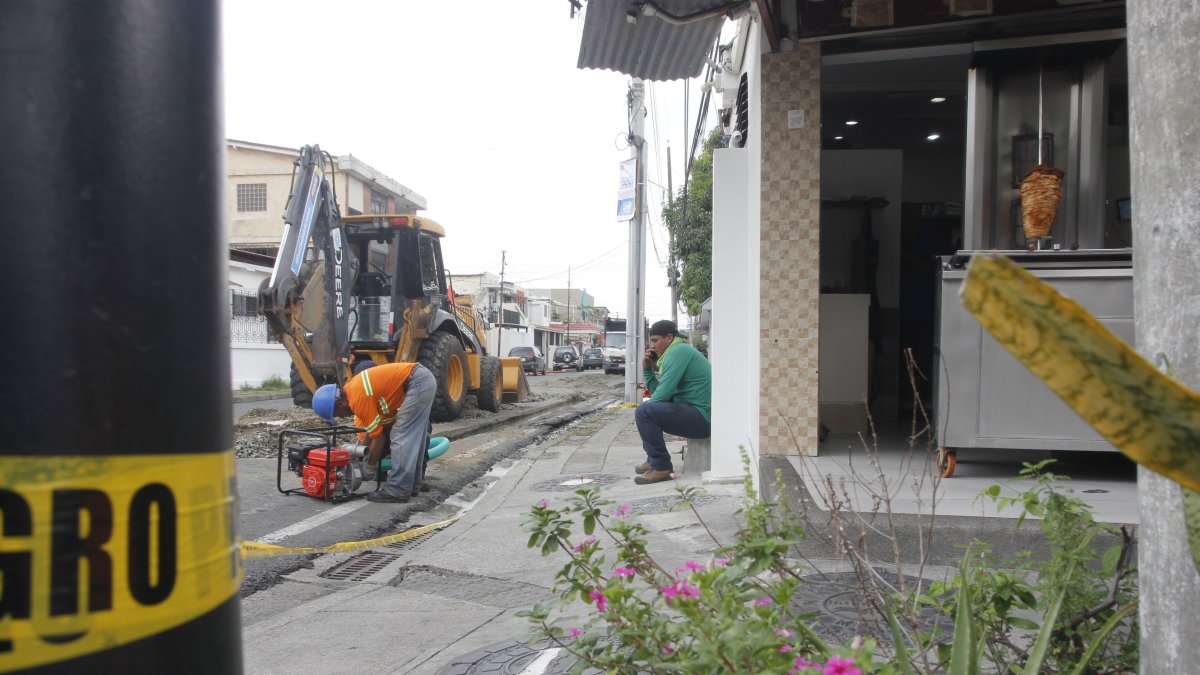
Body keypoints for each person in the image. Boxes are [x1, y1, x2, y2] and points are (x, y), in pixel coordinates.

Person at [312, 361, 436, 503]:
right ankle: (412, 485)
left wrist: (370, 467)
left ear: (340, 404)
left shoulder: (357, 399)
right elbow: (372, 433)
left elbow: (379, 438)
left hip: (417, 382)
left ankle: (397, 490)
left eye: (337, 414)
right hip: (420, 379)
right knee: (414, 438)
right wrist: (359, 452)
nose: (341, 417)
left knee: (401, 435)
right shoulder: (352, 390)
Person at [634, 320, 711, 485]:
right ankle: (653, 459)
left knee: (644, 412)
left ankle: (661, 467)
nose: (652, 345)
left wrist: (647, 412)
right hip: (695, 413)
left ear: (669, 337)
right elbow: (661, 394)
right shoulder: (674, 353)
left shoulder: (678, 352)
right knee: (647, 411)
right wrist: (648, 369)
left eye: (655, 340)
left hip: (704, 418)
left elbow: (660, 397)